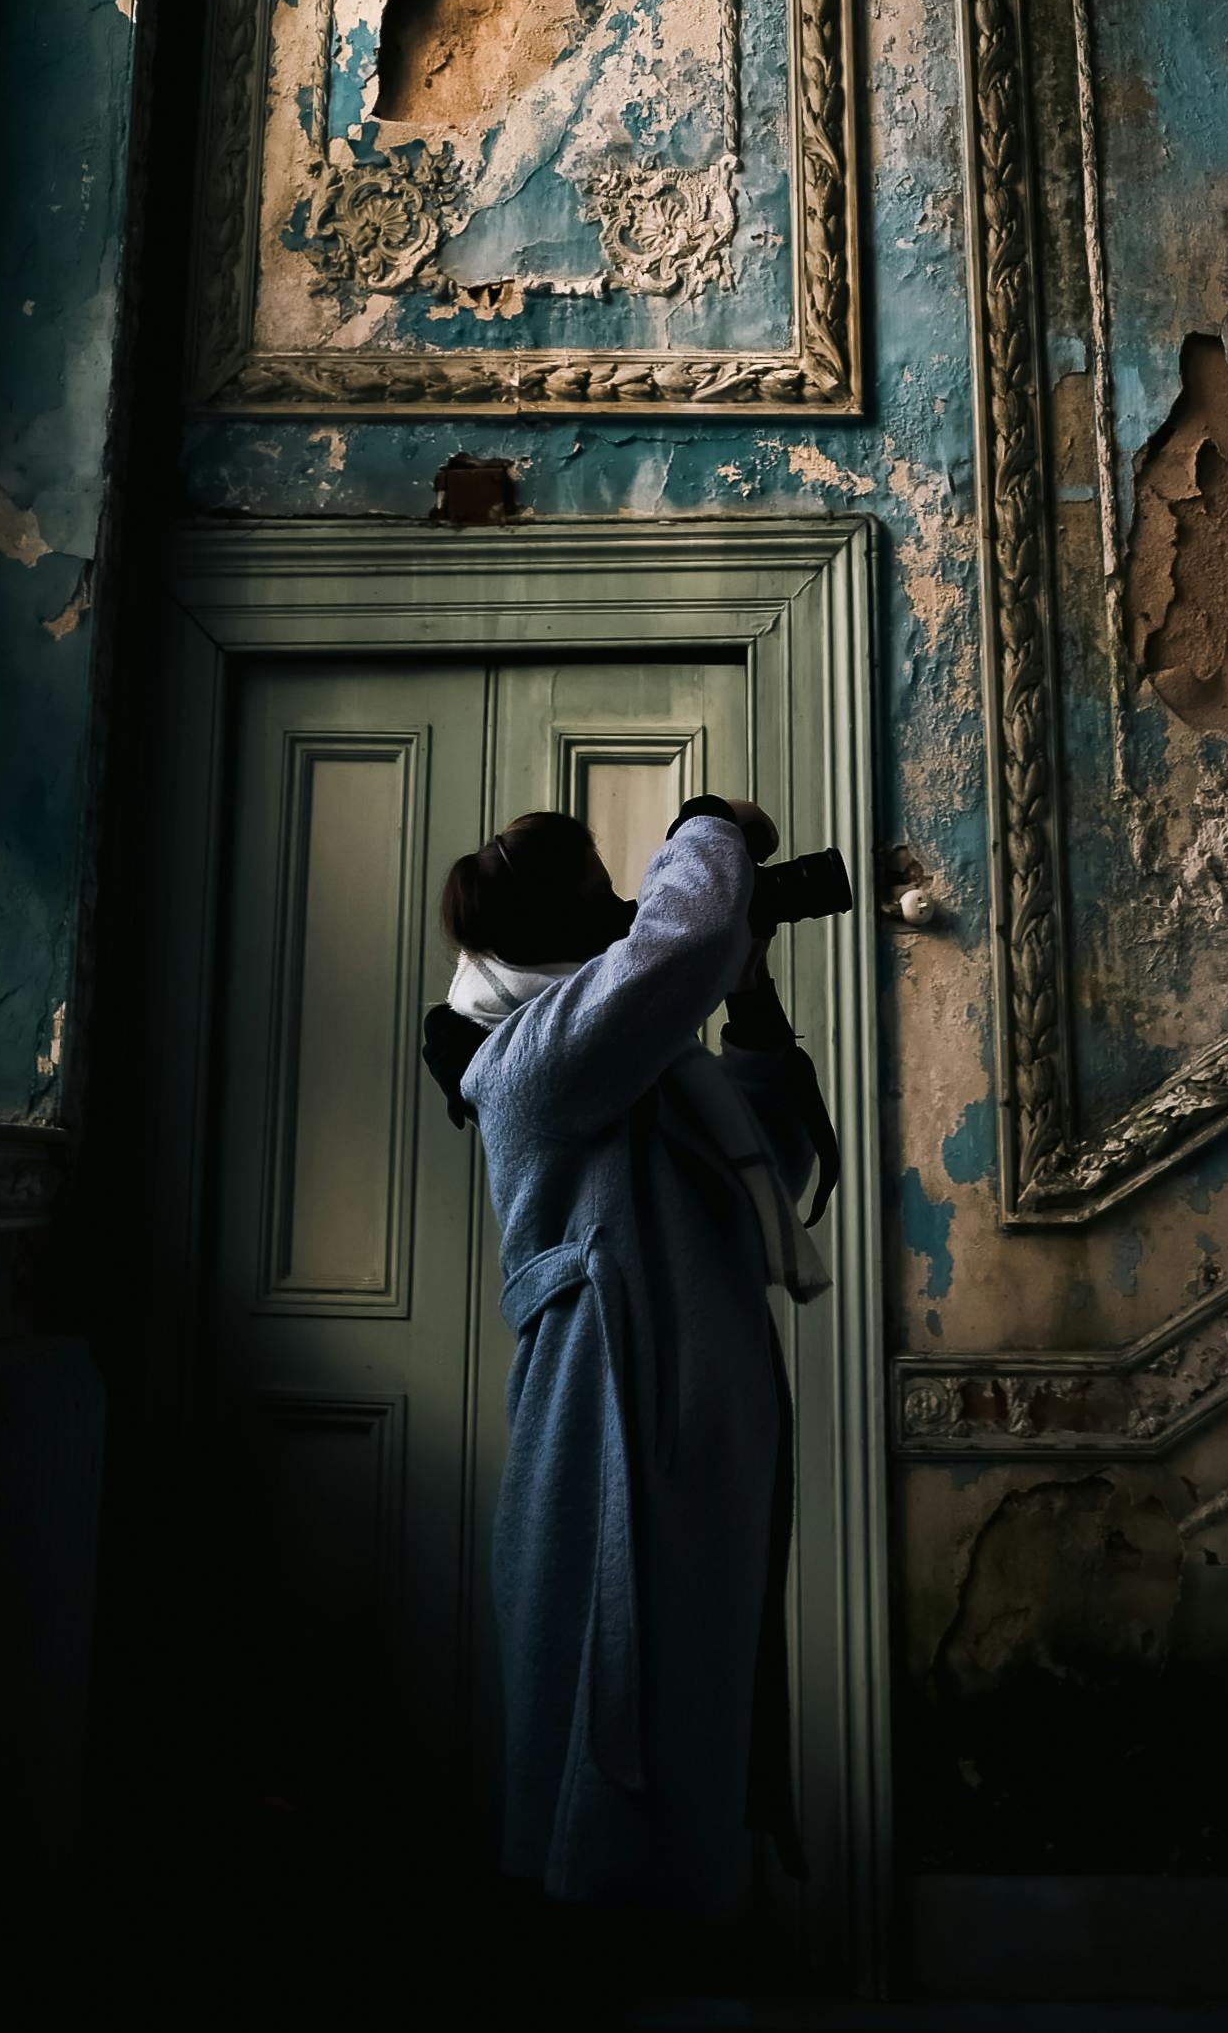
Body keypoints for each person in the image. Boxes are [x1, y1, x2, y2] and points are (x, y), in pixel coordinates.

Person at [422, 794, 838, 1977]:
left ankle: (670, 1965)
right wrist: (708, 825)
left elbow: (784, 1158)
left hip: (691, 1441)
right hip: (607, 1435)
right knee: (610, 1748)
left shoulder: (640, 1071)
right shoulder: (529, 1067)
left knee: (691, 1732)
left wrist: (750, 992)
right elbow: (683, 937)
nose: (624, 914)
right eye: (602, 898)